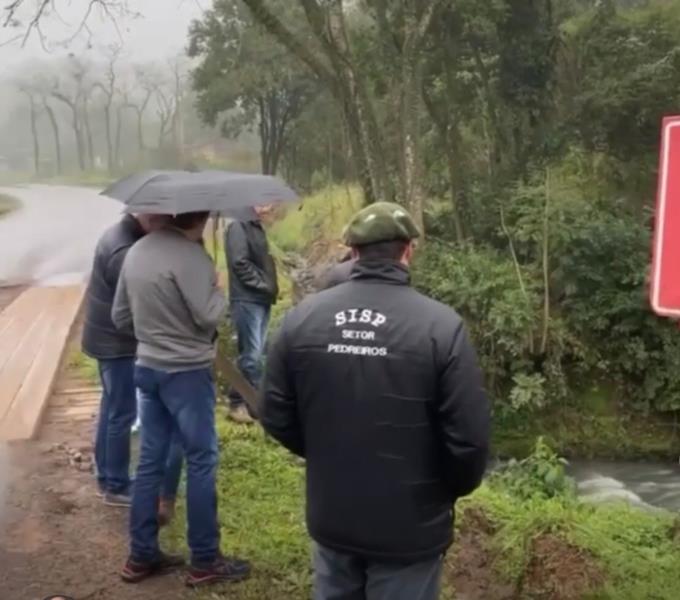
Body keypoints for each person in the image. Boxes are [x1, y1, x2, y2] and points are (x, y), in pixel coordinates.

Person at [261, 202, 491, 600]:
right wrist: (442, 491)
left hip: (333, 516)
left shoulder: (301, 319)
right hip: (410, 527)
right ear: (408, 251)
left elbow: (275, 413)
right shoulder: (441, 327)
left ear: (352, 252)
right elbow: (469, 441)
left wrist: (322, 451)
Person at [112, 211, 251, 587]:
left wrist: (155, 334)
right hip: (186, 374)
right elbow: (208, 317)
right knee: (201, 460)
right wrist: (218, 289)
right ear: (204, 217)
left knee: (149, 463)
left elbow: (120, 316)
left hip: (148, 368)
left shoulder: (137, 251)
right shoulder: (192, 257)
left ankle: (141, 556)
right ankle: (205, 560)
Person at [82, 212, 165, 507]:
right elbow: (132, 303)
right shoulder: (124, 251)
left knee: (112, 408)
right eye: (159, 218)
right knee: (122, 413)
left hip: (106, 338)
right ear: (144, 214)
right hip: (116, 344)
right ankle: (116, 484)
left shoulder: (122, 235)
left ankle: (105, 474)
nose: (162, 224)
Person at [224, 206, 278, 424]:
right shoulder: (238, 226)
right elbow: (239, 262)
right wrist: (264, 284)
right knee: (252, 358)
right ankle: (261, 406)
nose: (268, 208)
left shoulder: (255, 227)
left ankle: (237, 402)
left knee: (251, 354)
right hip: (247, 299)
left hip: (261, 299)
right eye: (263, 203)